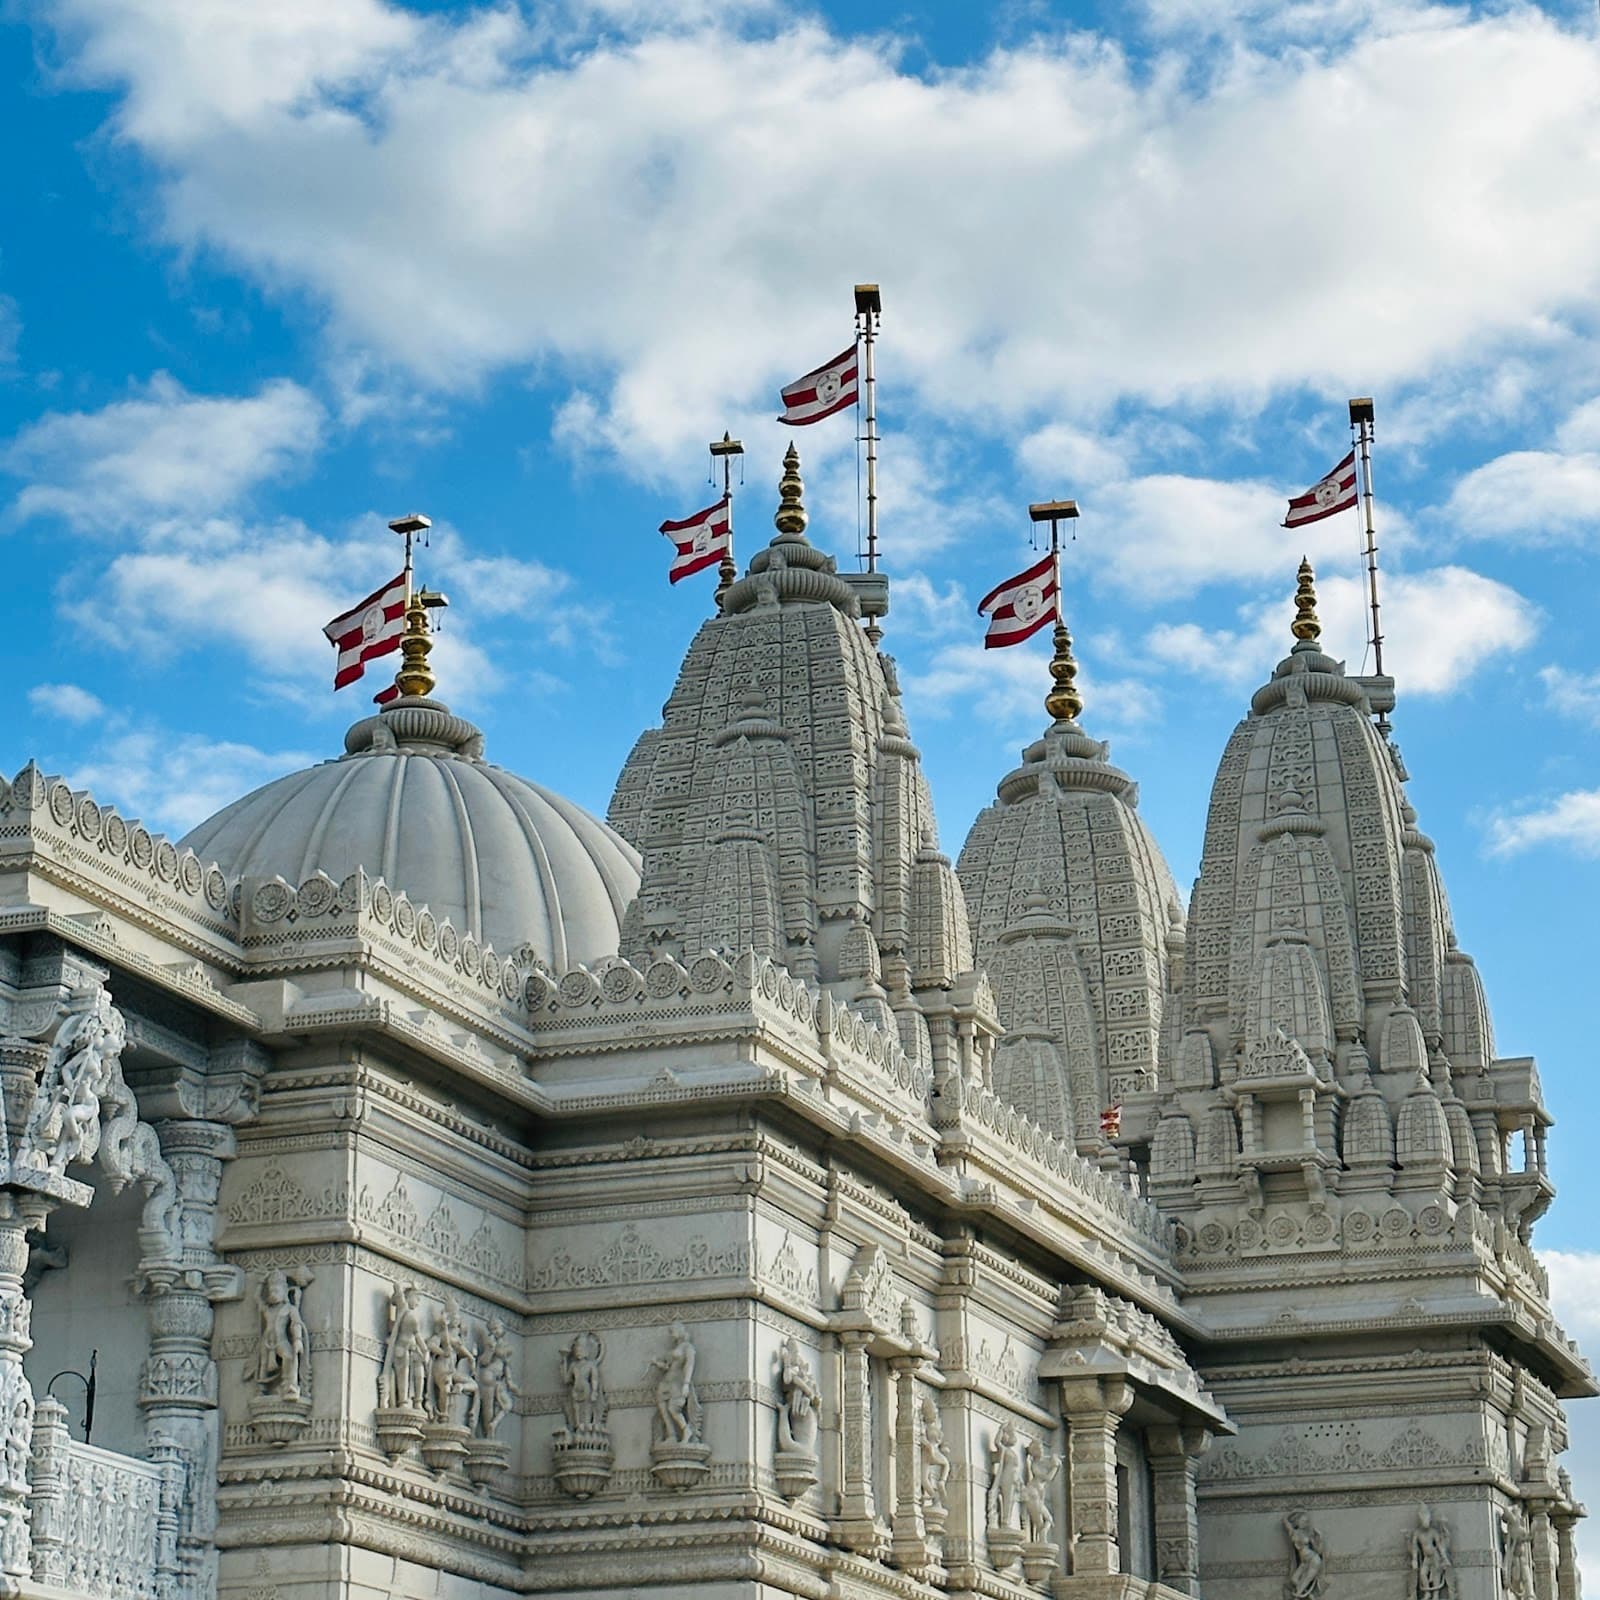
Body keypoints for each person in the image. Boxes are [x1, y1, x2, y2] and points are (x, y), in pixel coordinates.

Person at [651, 1323, 699, 1444]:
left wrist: (686, 1384)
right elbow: (667, 1366)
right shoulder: (676, 1348)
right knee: (662, 1406)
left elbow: (689, 1366)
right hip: (667, 1380)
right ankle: (671, 1435)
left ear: (680, 1330)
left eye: (673, 1331)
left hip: (678, 1381)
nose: (672, 1335)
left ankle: (686, 1430)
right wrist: (657, 1363)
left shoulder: (688, 1348)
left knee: (673, 1408)